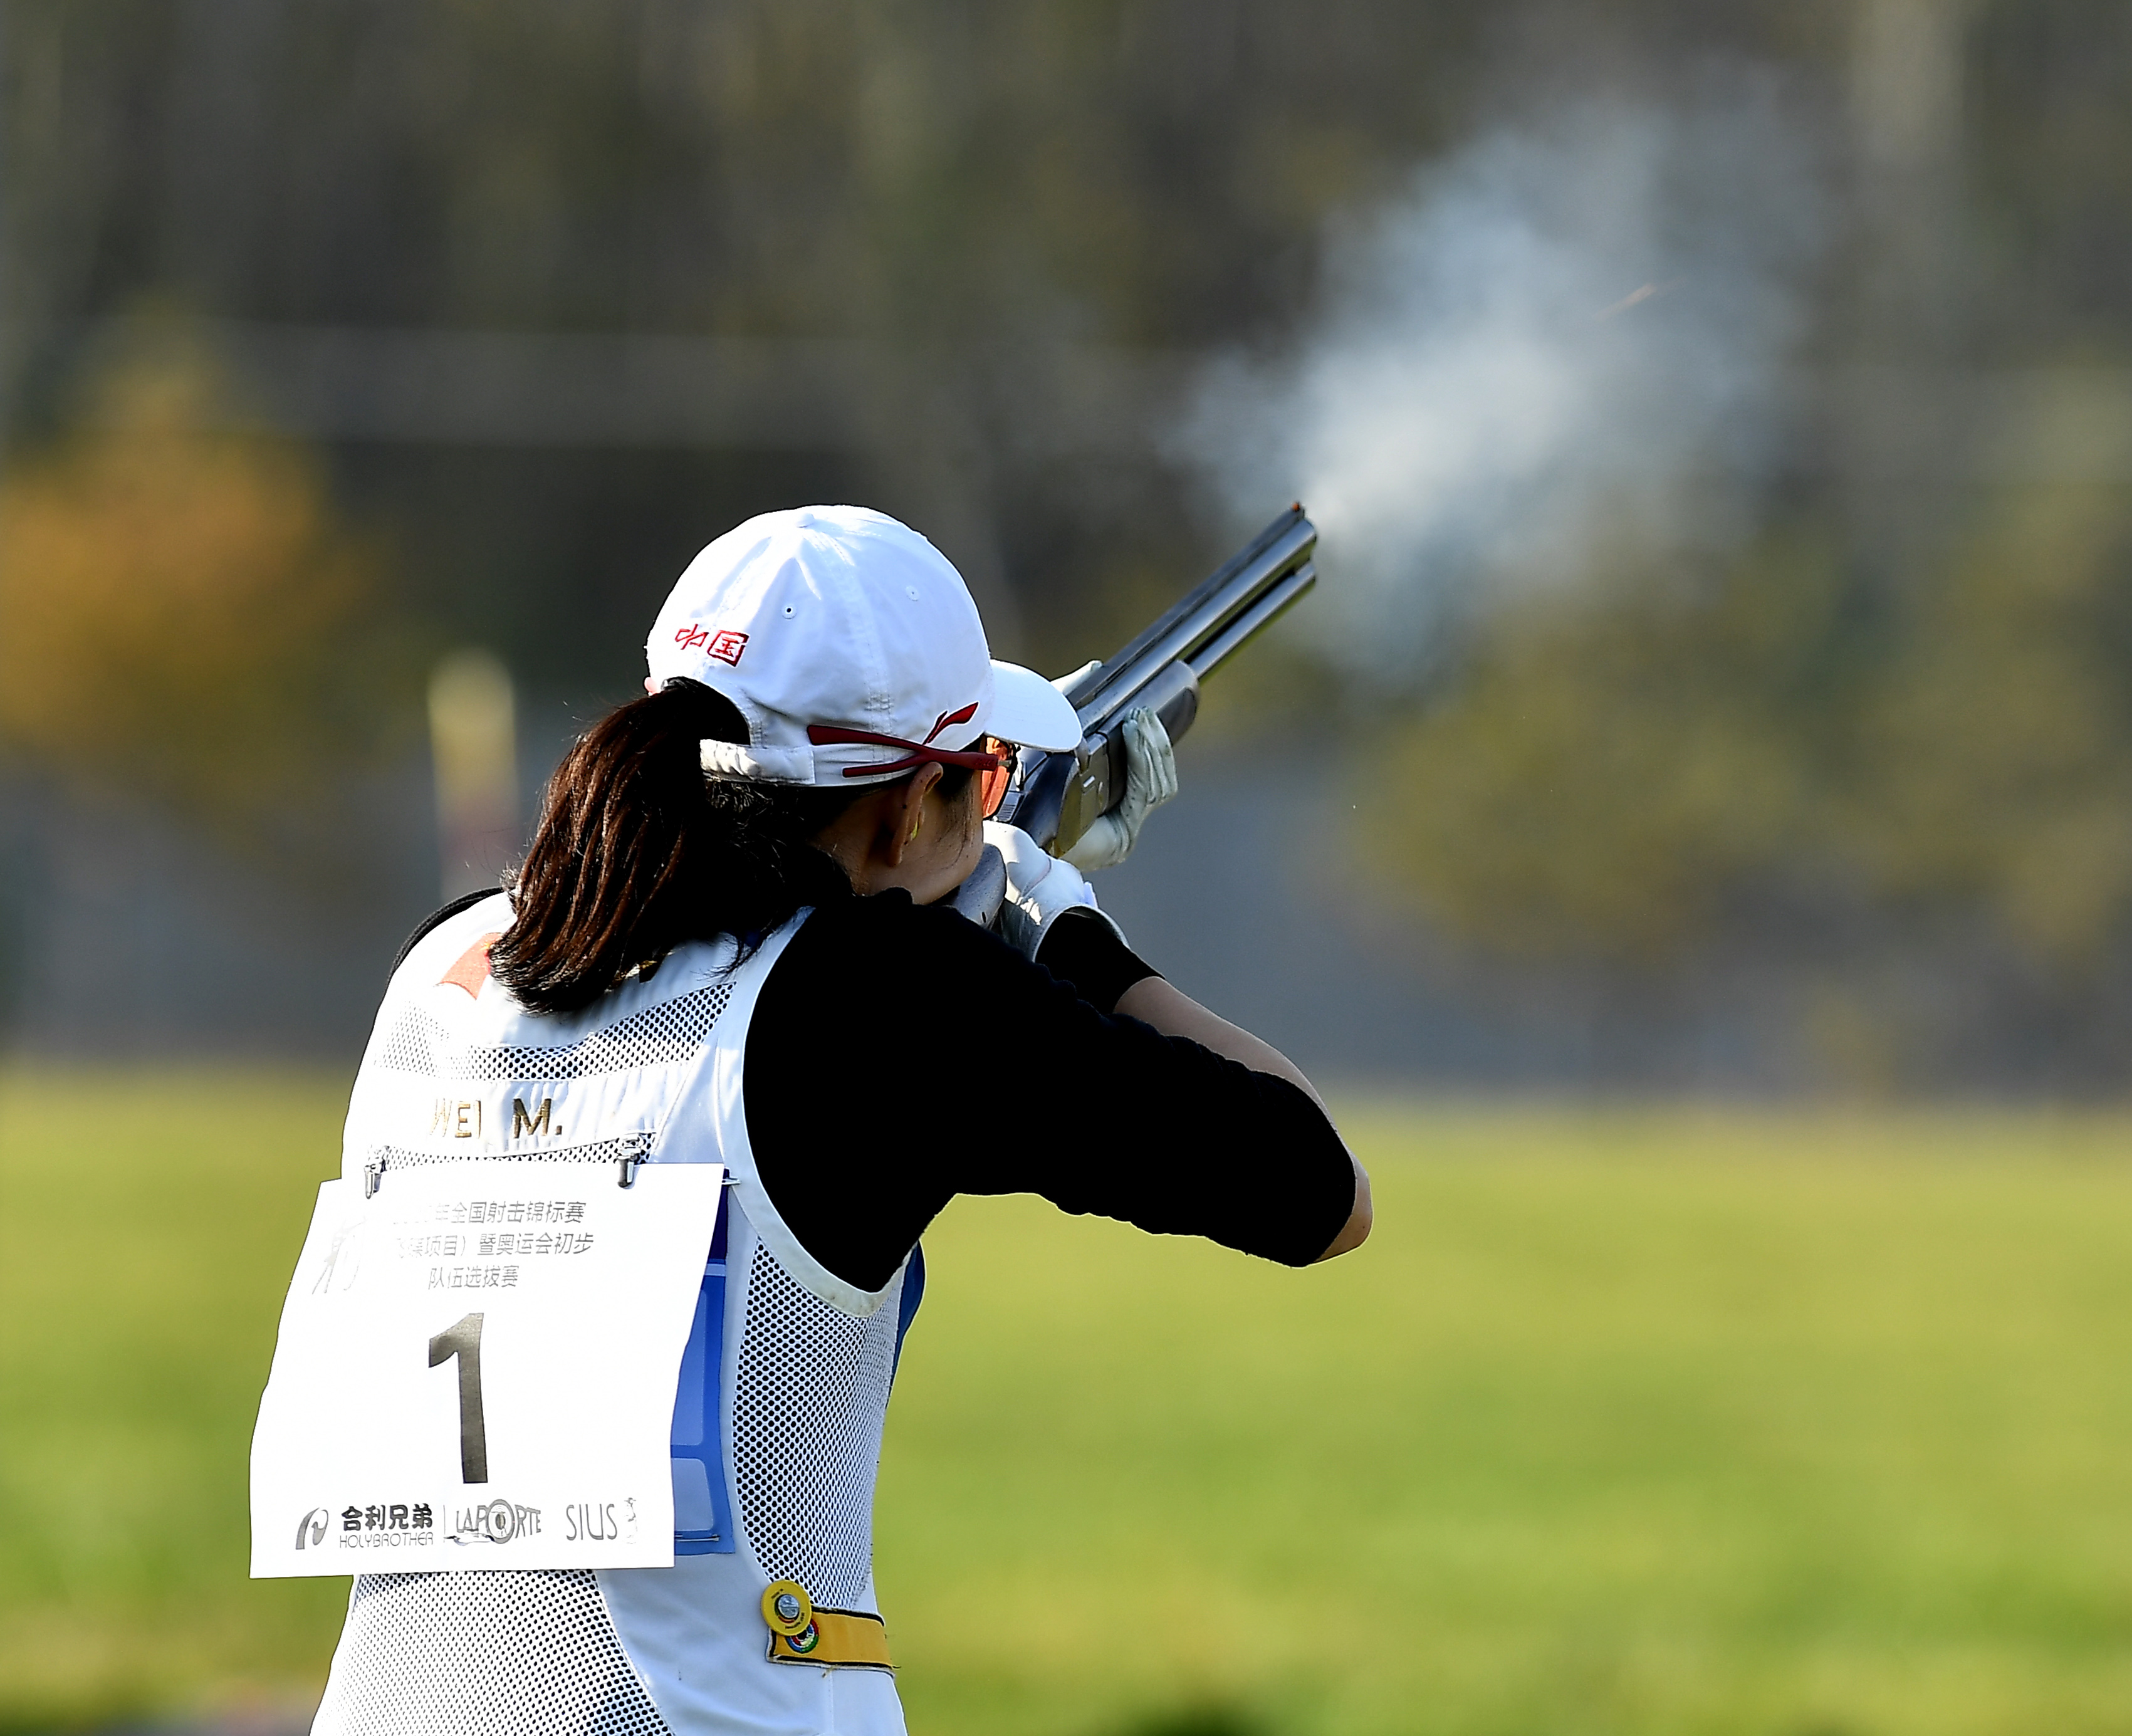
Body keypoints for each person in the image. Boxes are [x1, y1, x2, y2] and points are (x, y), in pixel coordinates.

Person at [308, 505, 1368, 1734]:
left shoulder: (448, 954)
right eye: (971, 778)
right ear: (905, 805)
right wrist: (1060, 933)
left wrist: (952, 887)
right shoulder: (890, 1000)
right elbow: (1313, 1184)